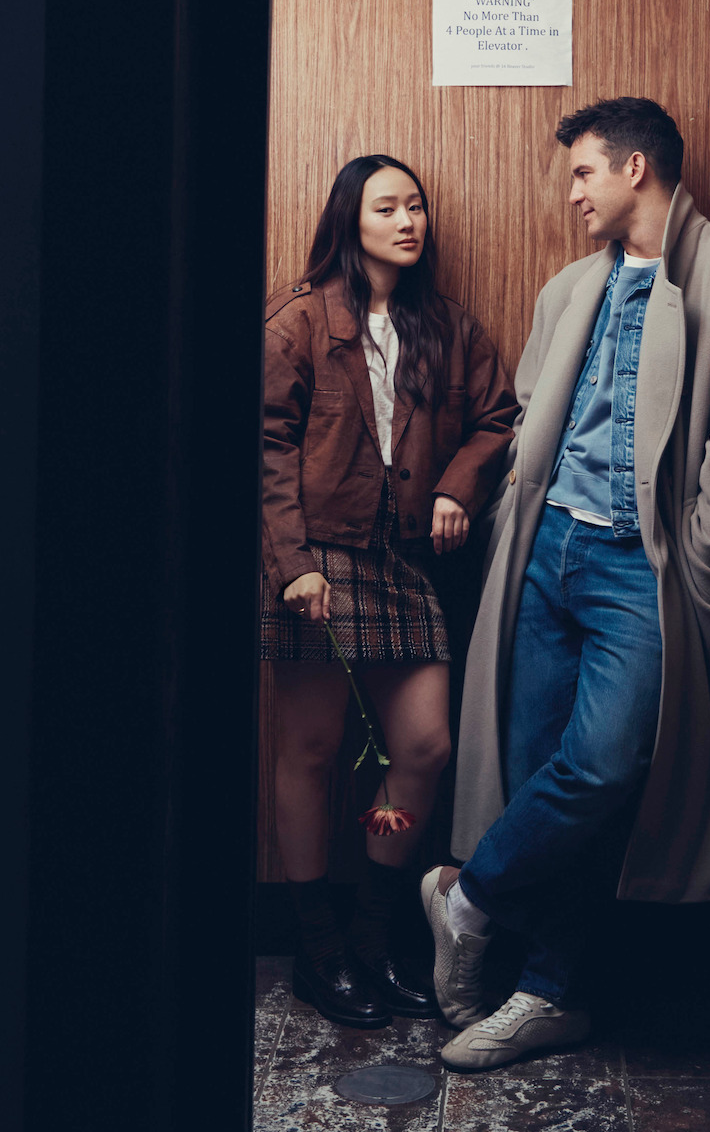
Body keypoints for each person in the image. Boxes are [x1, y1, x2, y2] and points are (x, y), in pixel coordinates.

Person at [420, 97, 710, 1071]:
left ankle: (469, 895)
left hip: (643, 564)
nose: (572, 191)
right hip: (547, 553)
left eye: (584, 171)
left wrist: (697, 561)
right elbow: (535, 413)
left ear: (635, 168)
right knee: (541, 766)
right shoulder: (568, 288)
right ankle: (551, 993)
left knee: (606, 766)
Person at [262, 154, 516, 1027]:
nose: (410, 220)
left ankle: (374, 929)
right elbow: (265, 452)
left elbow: (497, 417)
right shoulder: (297, 321)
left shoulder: (446, 325)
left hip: (407, 564)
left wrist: (457, 485)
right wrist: (290, 563)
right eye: (388, 207)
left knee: (424, 747)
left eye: (416, 205)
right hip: (315, 561)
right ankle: (317, 949)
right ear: (351, 220)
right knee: (312, 753)